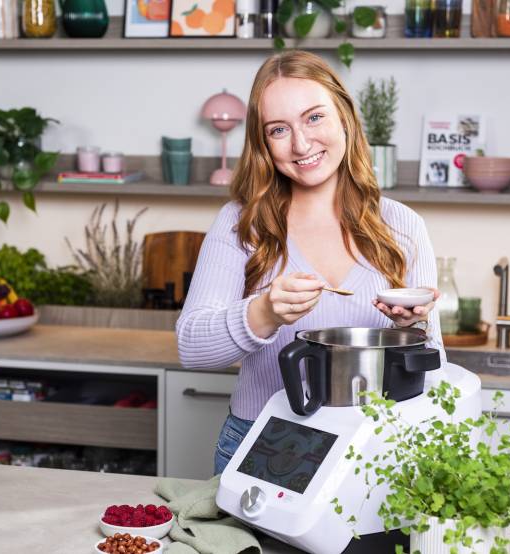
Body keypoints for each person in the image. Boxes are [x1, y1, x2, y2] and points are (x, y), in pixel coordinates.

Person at [176, 50, 444, 475]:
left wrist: (411, 328)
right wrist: (263, 313)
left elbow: (434, 367)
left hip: (374, 451)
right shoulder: (241, 224)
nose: (301, 144)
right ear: (263, 143)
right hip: (261, 446)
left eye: (314, 118)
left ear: (344, 118)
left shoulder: (402, 225)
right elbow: (191, 347)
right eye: (279, 129)